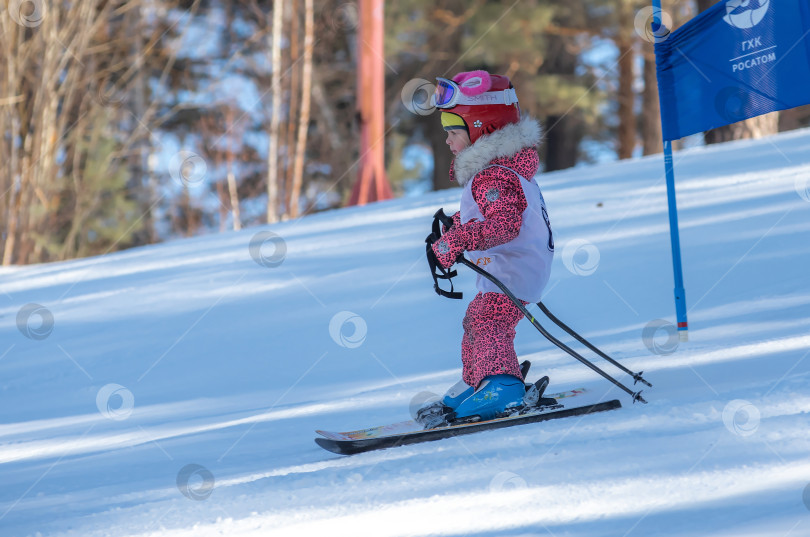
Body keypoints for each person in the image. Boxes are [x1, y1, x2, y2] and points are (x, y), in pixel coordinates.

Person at [429, 70, 554, 422]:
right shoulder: (498, 171)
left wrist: (458, 239)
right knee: (477, 320)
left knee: (489, 321)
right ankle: (478, 381)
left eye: (454, 132)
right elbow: (489, 215)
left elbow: (504, 224)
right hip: (513, 267)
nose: (449, 141)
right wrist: (456, 226)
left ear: (481, 127)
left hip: (514, 269)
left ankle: (502, 386)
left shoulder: (494, 175)